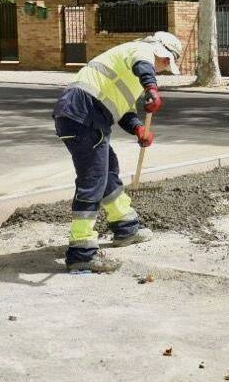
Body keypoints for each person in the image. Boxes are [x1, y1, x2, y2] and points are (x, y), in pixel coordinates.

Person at [52, 31, 183, 273]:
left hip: (83, 115)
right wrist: (152, 89)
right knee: (93, 179)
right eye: (166, 64)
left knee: (108, 170)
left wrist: (139, 128)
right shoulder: (140, 51)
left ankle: (125, 226)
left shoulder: (127, 68)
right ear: (163, 56)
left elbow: (122, 111)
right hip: (84, 114)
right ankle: (82, 252)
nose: (163, 69)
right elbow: (144, 66)